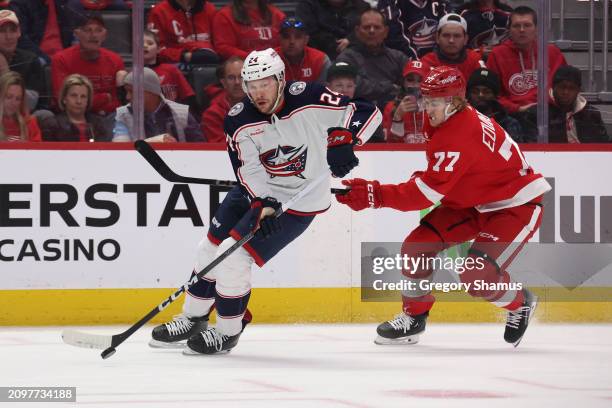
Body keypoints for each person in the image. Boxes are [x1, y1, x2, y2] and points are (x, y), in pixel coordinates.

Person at [150, 48, 382, 354]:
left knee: (234, 257)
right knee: (208, 248)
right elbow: (249, 168)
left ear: (281, 80)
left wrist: (345, 139)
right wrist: (263, 201)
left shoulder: (309, 97)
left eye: (265, 83)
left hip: (299, 202)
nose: (258, 92)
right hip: (256, 192)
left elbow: (368, 111)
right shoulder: (239, 119)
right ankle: (193, 318)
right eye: (252, 85)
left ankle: (228, 330)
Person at [335, 66, 551, 347]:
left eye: (435, 102)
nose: (428, 108)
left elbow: (422, 196)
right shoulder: (444, 120)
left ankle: (520, 303)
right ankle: (413, 318)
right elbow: (440, 178)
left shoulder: (459, 134)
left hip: (515, 204)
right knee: (416, 247)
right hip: (472, 200)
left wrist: (374, 195)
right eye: (426, 100)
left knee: (476, 274)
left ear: (456, 102)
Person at [486, 6, 566, 114]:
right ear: (509, 30)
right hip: (513, 115)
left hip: (549, 113)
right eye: (516, 26)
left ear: (536, 29)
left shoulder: (552, 53)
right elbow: (493, 95)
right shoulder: (497, 54)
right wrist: (517, 109)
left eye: (527, 25)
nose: (522, 30)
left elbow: (564, 87)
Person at [51, 12, 127, 117]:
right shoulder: (61, 59)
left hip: (108, 117)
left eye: (98, 30)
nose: (93, 35)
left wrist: (99, 109)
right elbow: (61, 99)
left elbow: (120, 102)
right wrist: (105, 98)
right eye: (88, 30)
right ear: (77, 34)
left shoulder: (115, 60)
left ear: (105, 35)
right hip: (70, 117)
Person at [336, 9, 409, 109]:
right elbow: (350, 87)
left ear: (386, 31)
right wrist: (390, 87)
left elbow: (412, 83)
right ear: (357, 31)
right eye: (366, 27)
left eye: (377, 27)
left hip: (395, 115)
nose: (372, 31)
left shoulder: (398, 58)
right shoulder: (346, 58)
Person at [112, 67, 204, 142]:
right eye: (127, 92)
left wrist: (177, 148)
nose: (127, 97)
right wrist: (157, 141)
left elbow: (200, 148)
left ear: (151, 91)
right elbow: (120, 148)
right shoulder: (122, 114)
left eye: (132, 92)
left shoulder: (182, 113)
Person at [524, 65, 609, 143]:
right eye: (562, 87)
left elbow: (604, 148)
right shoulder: (537, 114)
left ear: (578, 91)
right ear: (553, 88)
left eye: (571, 88)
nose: (566, 92)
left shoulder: (591, 114)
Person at [8, 0, 84, 64]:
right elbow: (21, 38)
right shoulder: (20, 4)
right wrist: (48, 59)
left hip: (63, 58)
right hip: (38, 58)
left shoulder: (64, 4)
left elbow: (75, 31)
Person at [40, 73, 110, 142]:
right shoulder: (51, 125)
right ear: (64, 98)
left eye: (83, 96)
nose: (78, 101)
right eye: (74, 95)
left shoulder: (98, 124)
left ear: (87, 101)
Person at [146, 0, 218, 65]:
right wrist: (184, 55)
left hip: (210, 64)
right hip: (172, 66)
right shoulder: (159, 11)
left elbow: (219, 45)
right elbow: (155, 50)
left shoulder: (210, 9)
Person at [0, 10, 46, 111]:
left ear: (19, 32)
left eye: (12, 30)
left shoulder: (30, 60)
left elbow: (30, 105)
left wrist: (5, 71)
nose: (8, 37)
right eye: (2, 31)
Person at [295, 0, 370, 60]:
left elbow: (371, 30)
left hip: (358, 56)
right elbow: (308, 34)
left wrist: (350, 39)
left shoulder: (362, 7)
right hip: (318, 57)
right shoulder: (307, 5)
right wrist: (337, 45)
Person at [421, 13, 485, 83]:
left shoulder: (474, 59)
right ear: (437, 38)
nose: (451, 40)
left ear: (465, 39)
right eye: (446, 35)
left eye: (457, 36)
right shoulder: (427, 62)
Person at [467, 67, 526, 142]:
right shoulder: (460, 121)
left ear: (495, 96)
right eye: (475, 91)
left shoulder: (509, 124)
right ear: (468, 95)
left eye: (486, 92)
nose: (480, 95)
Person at [212, 0, 285, 60]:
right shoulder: (224, 16)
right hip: (242, 67)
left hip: (275, 64)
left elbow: (286, 44)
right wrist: (254, 59)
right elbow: (224, 48)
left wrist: (271, 57)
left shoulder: (277, 15)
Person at [376, 0, 449, 58]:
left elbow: (450, 30)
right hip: (404, 60)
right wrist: (417, 62)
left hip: (435, 59)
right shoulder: (391, 3)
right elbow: (394, 38)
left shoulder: (439, 2)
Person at [143, 29, 196, 107]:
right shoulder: (133, 74)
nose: (145, 46)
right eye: (140, 43)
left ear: (158, 49)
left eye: (150, 43)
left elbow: (188, 96)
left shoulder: (171, 70)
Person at [382, 60, 429, 143]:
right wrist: (397, 118)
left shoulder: (437, 107)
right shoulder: (391, 107)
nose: (415, 84)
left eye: (420, 80)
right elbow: (390, 145)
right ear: (403, 82)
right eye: (410, 80)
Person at [201, 56, 245, 143]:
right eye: (231, 78)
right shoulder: (212, 114)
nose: (237, 82)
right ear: (224, 83)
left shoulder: (263, 106)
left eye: (241, 77)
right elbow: (221, 148)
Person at [276, 17, 331, 83]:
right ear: (279, 39)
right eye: (286, 37)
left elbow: (327, 91)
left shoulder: (320, 60)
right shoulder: (269, 59)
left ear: (306, 40)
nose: (292, 41)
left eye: (298, 37)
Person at [0, 71, 41, 142]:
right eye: (9, 97)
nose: (13, 103)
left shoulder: (29, 122)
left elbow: (36, 151)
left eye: (18, 99)